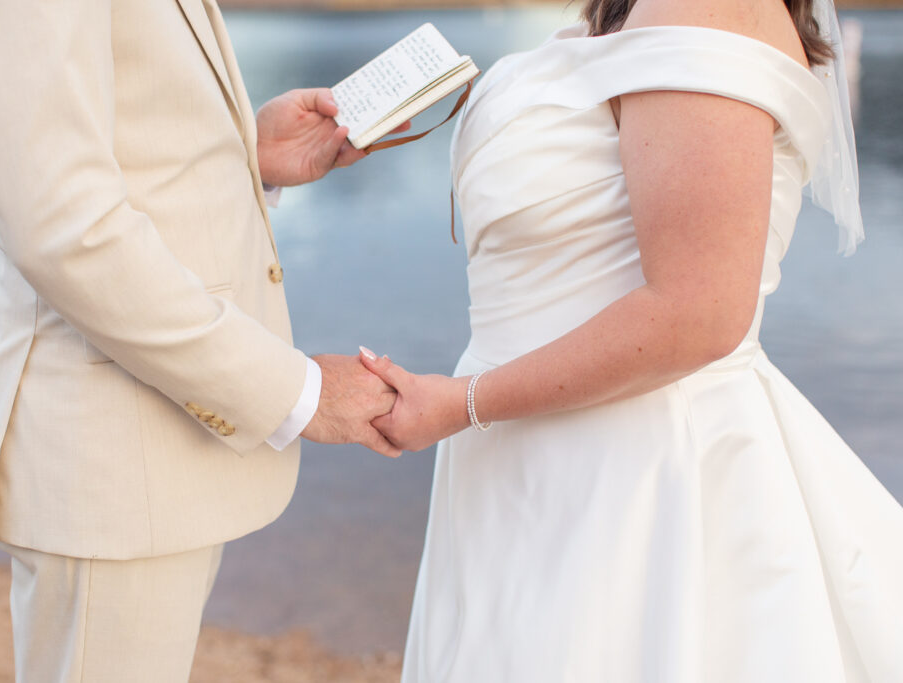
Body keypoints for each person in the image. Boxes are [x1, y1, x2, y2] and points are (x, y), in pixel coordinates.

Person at [359, 0, 903, 680]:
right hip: (516, 464)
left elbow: (698, 314)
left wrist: (461, 402)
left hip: (636, 474)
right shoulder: (621, 19)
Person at [0, 0, 406, 680]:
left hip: (147, 450)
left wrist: (241, 156)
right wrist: (301, 393)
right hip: (106, 462)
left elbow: (84, 156)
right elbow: (65, 231)